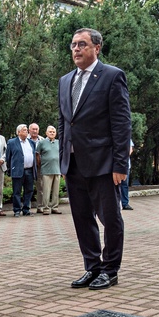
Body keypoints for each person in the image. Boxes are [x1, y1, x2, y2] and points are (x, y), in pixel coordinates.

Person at [58, 27, 132, 291]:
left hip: (103, 163)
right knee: (82, 218)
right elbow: (65, 123)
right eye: (73, 45)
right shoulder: (65, 81)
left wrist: (120, 164)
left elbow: (121, 124)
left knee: (110, 218)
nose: (76, 49)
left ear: (97, 48)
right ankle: (93, 267)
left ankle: (110, 270)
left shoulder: (112, 76)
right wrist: (62, 160)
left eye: (82, 44)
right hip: (74, 164)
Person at [5, 124, 37, 217]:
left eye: (27, 130)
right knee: (17, 191)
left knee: (29, 190)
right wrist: (10, 169)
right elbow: (8, 157)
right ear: (18, 132)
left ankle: (26, 209)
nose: (26, 131)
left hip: (29, 170)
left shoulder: (31, 143)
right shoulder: (11, 142)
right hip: (18, 170)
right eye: (24, 130)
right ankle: (17, 210)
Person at [37, 126, 61, 215]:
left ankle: (55, 207)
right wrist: (40, 164)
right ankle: (46, 208)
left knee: (56, 191)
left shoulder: (59, 142)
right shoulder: (42, 142)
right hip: (46, 170)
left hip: (57, 169)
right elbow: (37, 154)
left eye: (53, 132)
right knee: (46, 191)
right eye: (50, 131)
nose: (52, 133)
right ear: (46, 133)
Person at [29, 123, 44, 213]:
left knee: (40, 187)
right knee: (28, 188)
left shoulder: (42, 140)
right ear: (29, 130)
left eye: (36, 129)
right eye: (33, 129)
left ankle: (40, 206)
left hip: (39, 166)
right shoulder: (25, 139)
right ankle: (27, 206)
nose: (35, 131)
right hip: (28, 166)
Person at [120, 140, 135, 210]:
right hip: (113, 167)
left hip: (125, 166)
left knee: (124, 185)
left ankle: (125, 204)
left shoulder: (127, 137)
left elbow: (130, 149)